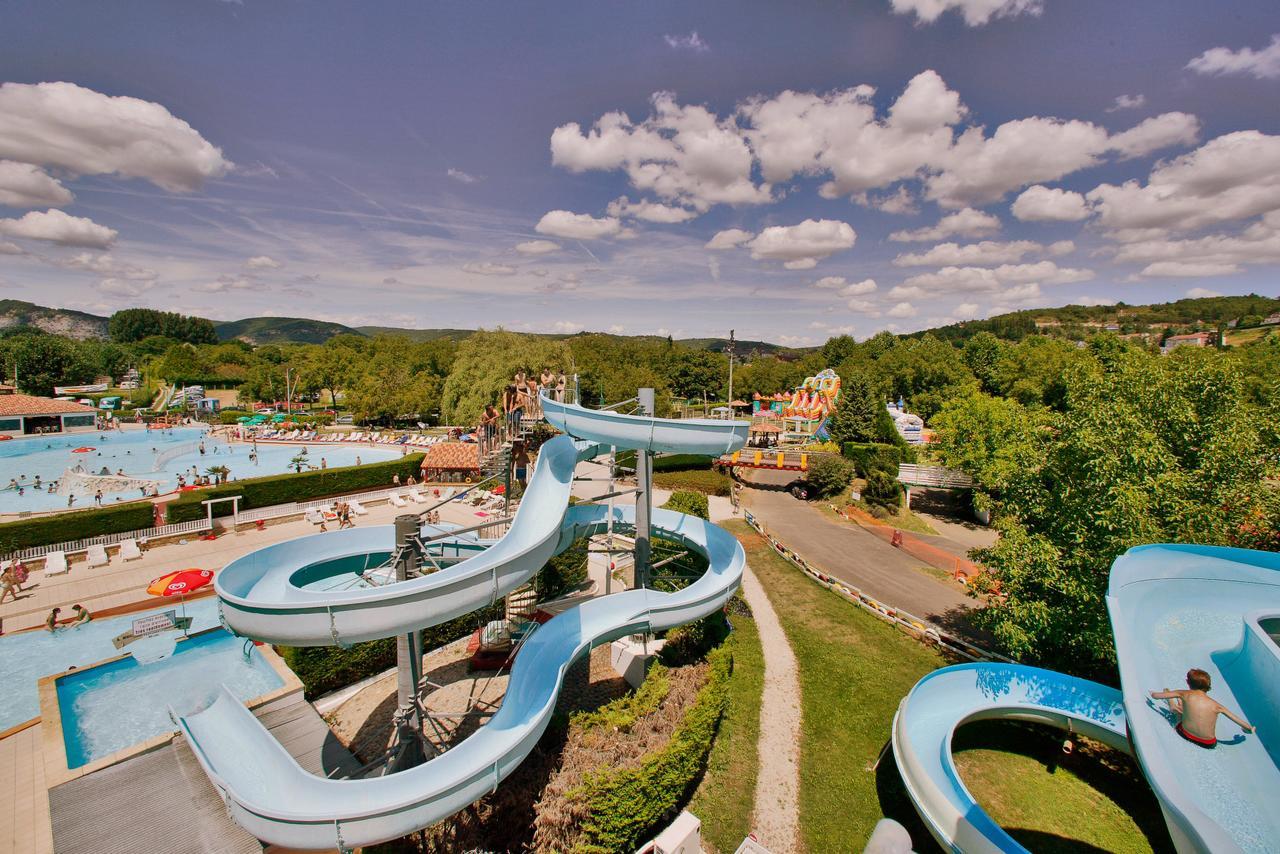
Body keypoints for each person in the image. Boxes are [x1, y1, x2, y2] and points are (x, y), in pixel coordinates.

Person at [1151, 668, 1254, 749]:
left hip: (1185, 734)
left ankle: (1172, 702)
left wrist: (1156, 695)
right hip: (1209, 744)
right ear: (1208, 686)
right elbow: (1245, 725)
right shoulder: (1217, 705)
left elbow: (1155, 696)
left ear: (1188, 682)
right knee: (1187, 709)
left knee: (1176, 711)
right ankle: (1181, 705)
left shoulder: (1184, 693)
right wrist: (1249, 729)